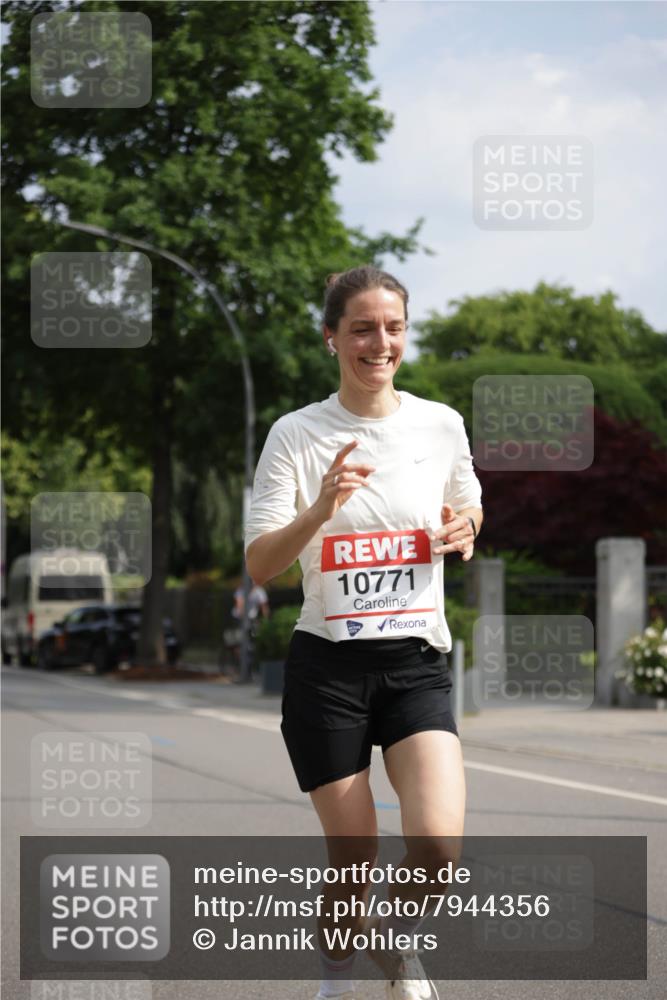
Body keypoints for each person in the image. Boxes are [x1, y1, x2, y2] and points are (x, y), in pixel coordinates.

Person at [245, 266, 483, 1000]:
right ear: (331, 338)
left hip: (415, 661)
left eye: (392, 327)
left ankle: (395, 948)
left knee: (437, 847)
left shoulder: (439, 423)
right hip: (329, 671)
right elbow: (260, 565)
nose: (379, 343)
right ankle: (337, 980)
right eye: (361, 329)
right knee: (353, 856)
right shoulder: (296, 434)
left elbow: (468, 505)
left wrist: (465, 528)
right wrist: (318, 511)